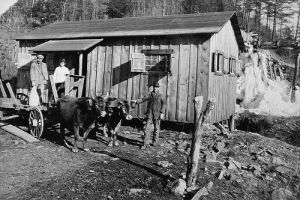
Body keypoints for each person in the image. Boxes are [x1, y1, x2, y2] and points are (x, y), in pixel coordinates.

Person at [133, 82, 165, 149]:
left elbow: (163, 104)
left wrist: (162, 113)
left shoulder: (161, 95)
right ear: (153, 87)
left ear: (158, 88)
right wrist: (136, 101)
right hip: (150, 114)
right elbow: (143, 99)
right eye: (154, 87)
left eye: (156, 87)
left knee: (157, 129)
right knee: (147, 129)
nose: (155, 88)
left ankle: (154, 142)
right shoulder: (150, 94)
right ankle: (145, 143)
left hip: (157, 114)